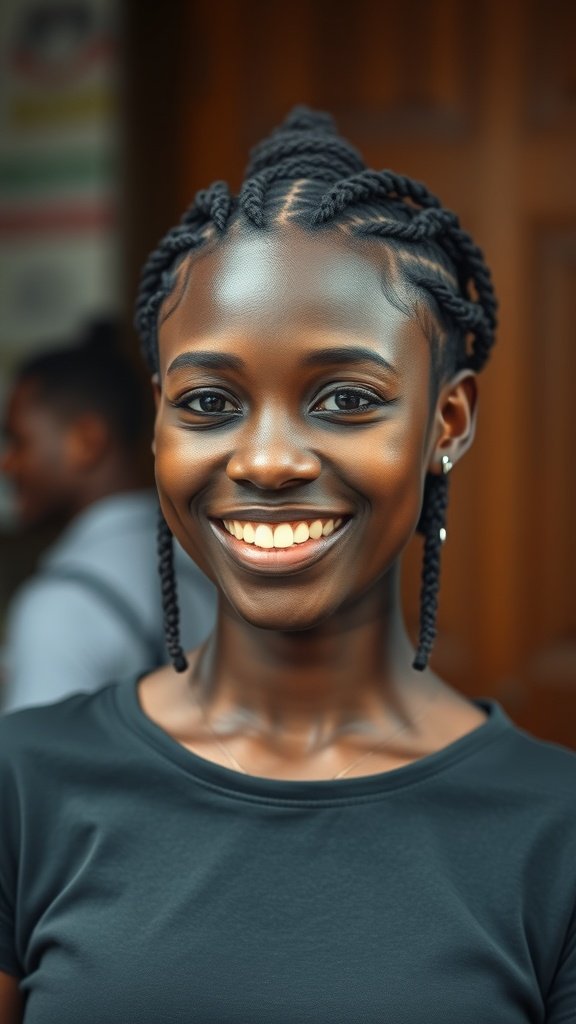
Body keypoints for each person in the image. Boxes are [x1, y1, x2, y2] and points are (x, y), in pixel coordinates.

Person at [1, 108, 575, 1023]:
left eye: (345, 398)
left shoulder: (555, 834)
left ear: (446, 423)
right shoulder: (23, 787)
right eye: (210, 401)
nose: (267, 461)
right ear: (158, 424)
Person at [0, 322, 216, 712]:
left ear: (87, 441)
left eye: (19, 441)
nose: (7, 464)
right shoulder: (213, 557)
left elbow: (35, 770)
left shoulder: (63, 605)